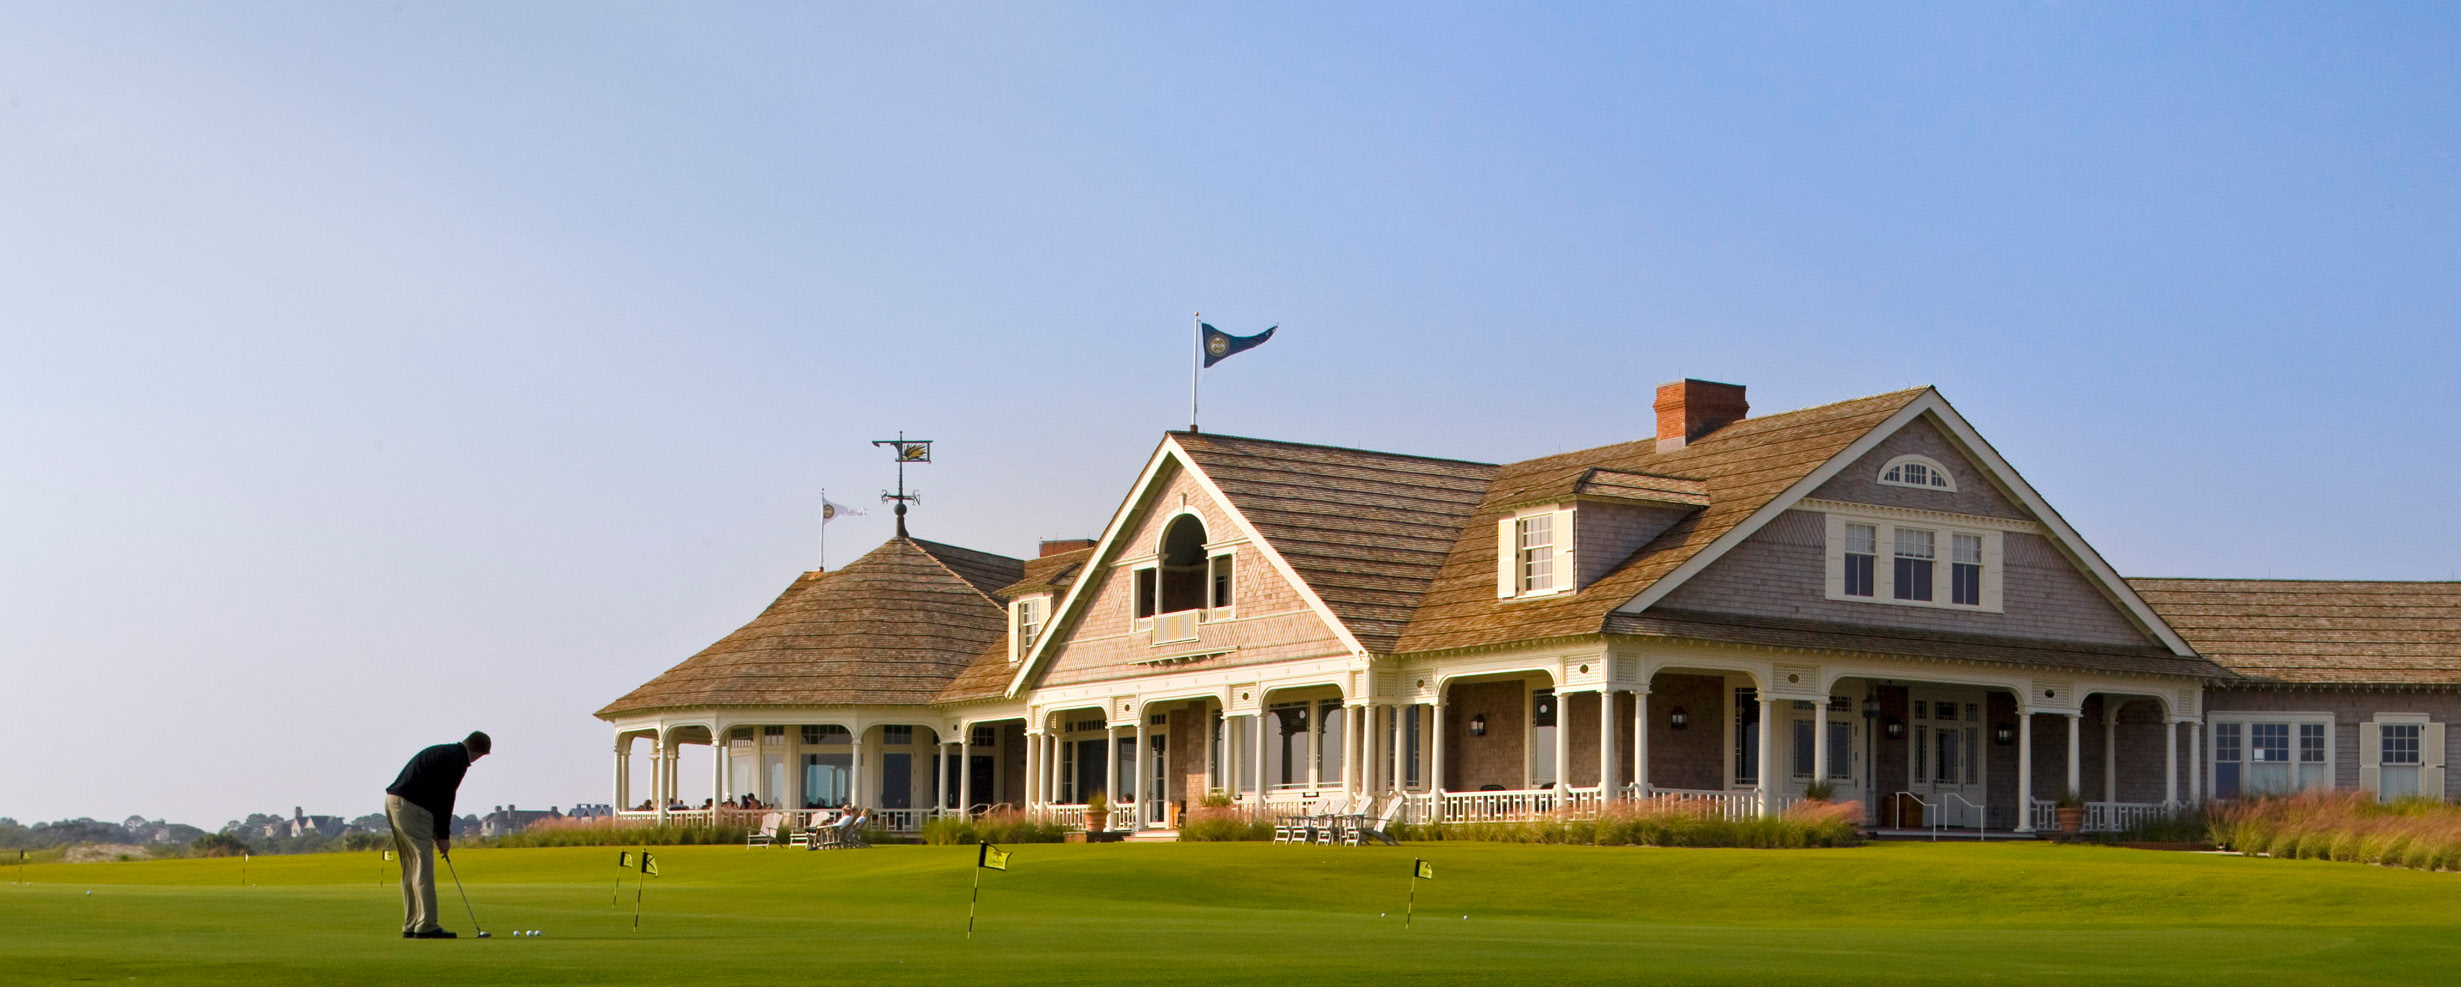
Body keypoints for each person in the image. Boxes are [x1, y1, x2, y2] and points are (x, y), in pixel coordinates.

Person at [384, 731, 489, 939]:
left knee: (410, 866)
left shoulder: (444, 752)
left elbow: (433, 791)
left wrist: (436, 830)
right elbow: (446, 797)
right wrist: (443, 835)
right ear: (476, 750)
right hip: (410, 806)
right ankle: (426, 924)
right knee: (423, 864)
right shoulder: (458, 760)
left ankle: (411, 923)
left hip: (394, 802)